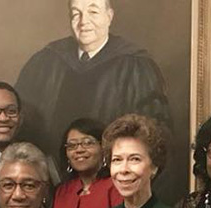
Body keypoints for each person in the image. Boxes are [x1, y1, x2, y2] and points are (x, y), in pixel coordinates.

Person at [14, 0, 171, 168]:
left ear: (109, 16)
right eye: (76, 14)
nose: (83, 22)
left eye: (93, 12)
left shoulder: (136, 66)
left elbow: (153, 134)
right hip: (54, 179)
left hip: (115, 178)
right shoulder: (46, 61)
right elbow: (22, 124)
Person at [51, 117, 122, 208]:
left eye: (88, 143)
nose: (79, 150)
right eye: (72, 145)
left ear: (104, 147)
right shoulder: (61, 191)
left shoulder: (117, 188)